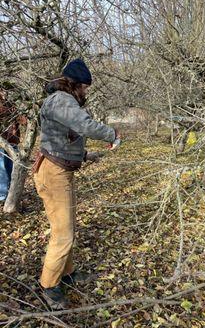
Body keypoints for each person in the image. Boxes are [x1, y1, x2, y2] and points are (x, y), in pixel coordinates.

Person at [33, 58, 120, 309]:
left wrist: (84, 155)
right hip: (53, 174)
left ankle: (67, 274)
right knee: (63, 233)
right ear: (75, 84)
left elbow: (62, 137)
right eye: (84, 87)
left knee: (67, 228)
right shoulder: (61, 99)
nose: (86, 92)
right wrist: (112, 134)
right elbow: (83, 124)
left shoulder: (63, 100)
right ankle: (49, 285)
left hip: (60, 170)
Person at [0, 88, 26, 201]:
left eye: (5, 91)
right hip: (2, 142)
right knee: (2, 169)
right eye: (2, 91)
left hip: (13, 141)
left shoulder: (11, 103)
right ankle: (2, 196)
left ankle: (10, 192)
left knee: (12, 168)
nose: (4, 93)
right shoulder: (3, 106)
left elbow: (22, 120)